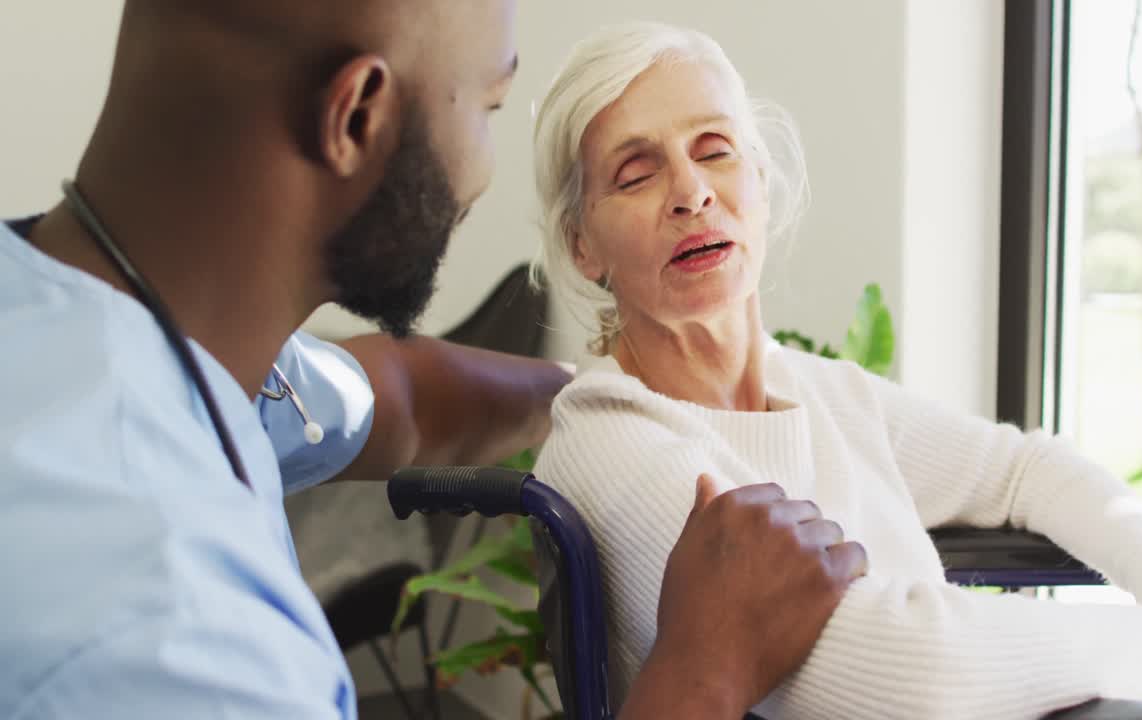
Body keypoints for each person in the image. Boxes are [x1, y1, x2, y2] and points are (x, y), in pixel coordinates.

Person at [0, 2, 865, 718]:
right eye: (488, 107)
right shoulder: (176, 637)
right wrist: (706, 668)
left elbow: (405, 396)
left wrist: (617, 397)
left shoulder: (127, 332)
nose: (485, 172)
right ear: (358, 118)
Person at [530, 21, 1142, 720]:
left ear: (760, 177)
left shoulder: (833, 396)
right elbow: (921, 675)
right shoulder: (609, 438)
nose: (691, 192)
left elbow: (1024, 470)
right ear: (583, 244)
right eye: (636, 173)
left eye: (715, 149)